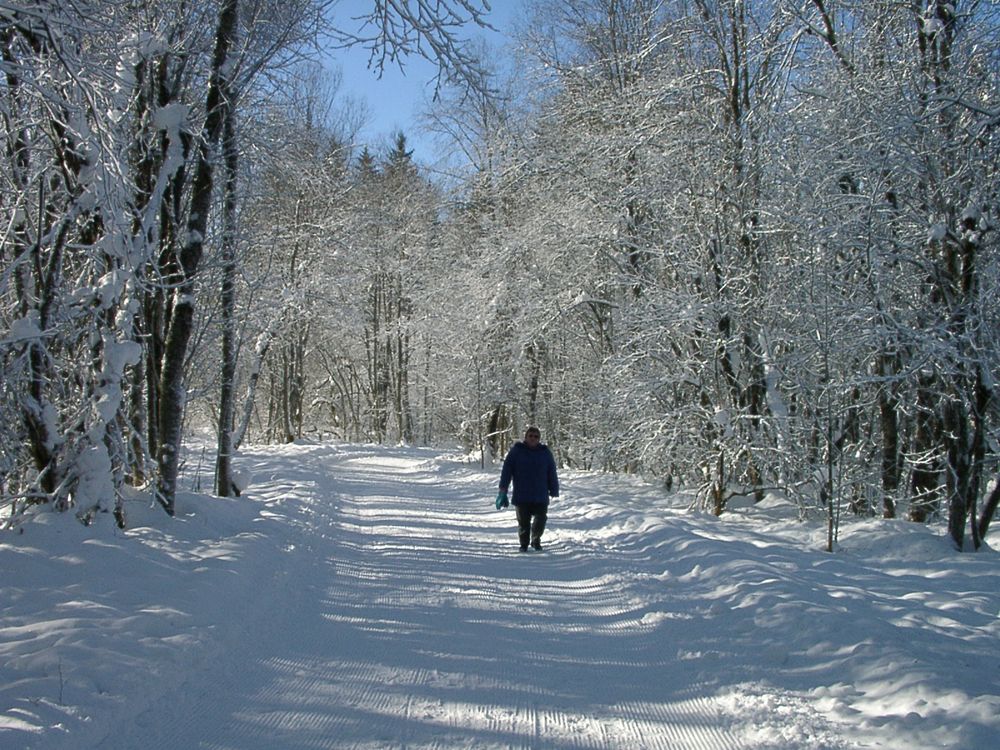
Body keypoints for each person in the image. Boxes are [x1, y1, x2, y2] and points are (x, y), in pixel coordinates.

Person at [495, 426, 560, 551]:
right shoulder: (516, 451)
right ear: (526, 437)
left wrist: (554, 489)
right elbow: (507, 471)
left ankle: (536, 540)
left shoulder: (545, 453)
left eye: (536, 436)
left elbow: (551, 471)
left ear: (539, 439)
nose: (533, 438)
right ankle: (524, 544)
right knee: (523, 523)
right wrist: (503, 490)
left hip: (540, 494)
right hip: (522, 494)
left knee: (541, 519)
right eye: (530, 436)